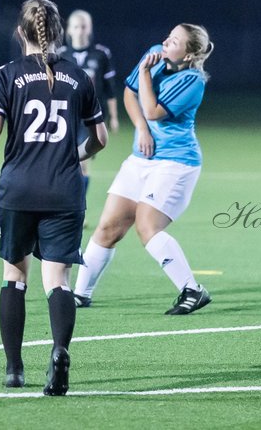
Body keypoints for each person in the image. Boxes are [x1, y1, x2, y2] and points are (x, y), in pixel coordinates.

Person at [0, 0, 107, 395]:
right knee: (58, 280)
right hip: (65, 190)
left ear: (20, 33)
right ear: (58, 32)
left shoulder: (6, 75)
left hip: (19, 190)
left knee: (14, 276)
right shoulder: (80, 77)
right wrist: (74, 155)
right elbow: (100, 139)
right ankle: (59, 351)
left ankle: (14, 368)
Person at [72, 23, 214, 315]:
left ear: (188, 55)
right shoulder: (154, 53)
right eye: (168, 35)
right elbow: (129, 92)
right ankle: (79, 295)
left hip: (176, 163)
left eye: (174, 41)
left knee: (147, 226)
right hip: (141, 159)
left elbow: (152, 111)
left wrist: (148, 74)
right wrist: (140, 129)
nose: (165, 41)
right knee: (108, 227)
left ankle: (192, 289)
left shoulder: (193, 80)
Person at [62, 10, 119, 202]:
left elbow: (110, 89)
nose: (80, 31)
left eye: (84, 26)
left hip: (90, 117)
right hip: (66, 116)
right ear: (69, 30)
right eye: (76, 27)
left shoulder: (101, 54)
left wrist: (114, 117)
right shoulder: (62, 55)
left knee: (82, 161)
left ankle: (79, 207)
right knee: (65, 160)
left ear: (90, 28)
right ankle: (66, 203)